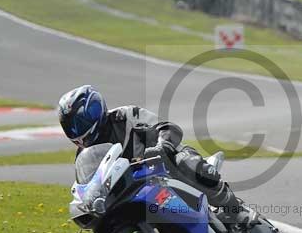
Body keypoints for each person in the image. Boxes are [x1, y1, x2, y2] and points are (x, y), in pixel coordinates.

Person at [57, 85, 245, 222]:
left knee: (187, 162)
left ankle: (237, 210)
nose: (77, 129)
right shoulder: (84, 155)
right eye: (71, 126)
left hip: (164, 168)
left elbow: (166, 127)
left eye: (80, 122)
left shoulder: (125, 116)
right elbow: (87, 186)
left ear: (95, 110)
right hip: (135, 193)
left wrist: (162, 145)